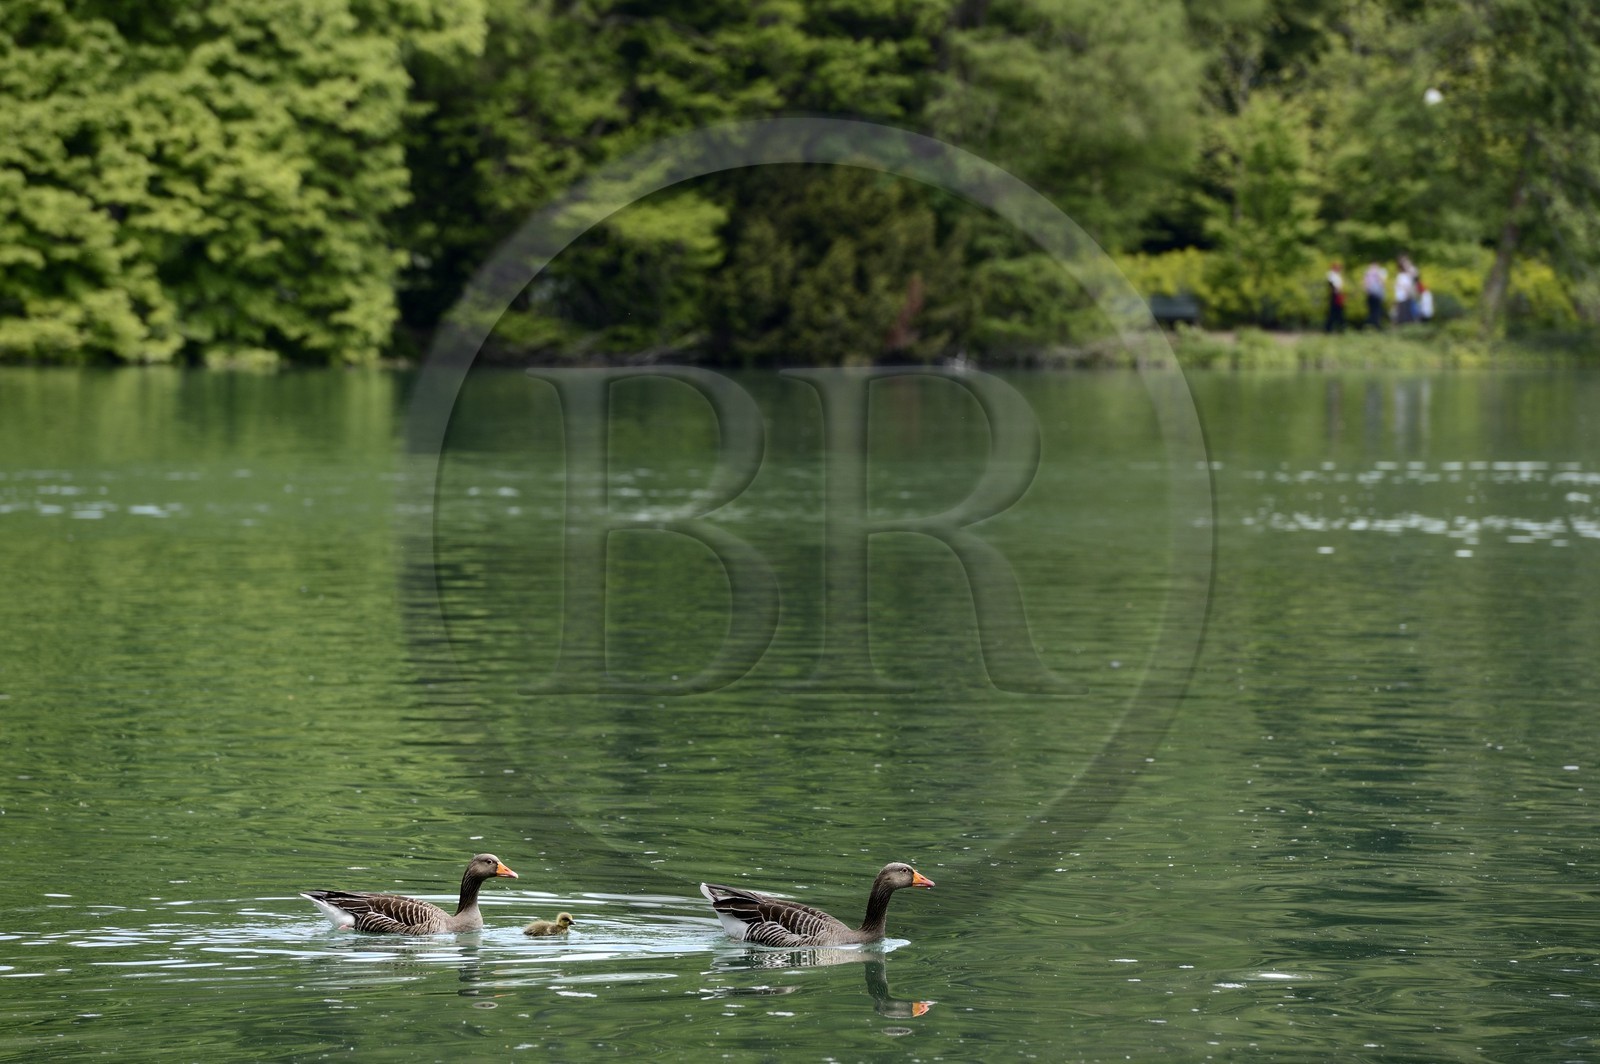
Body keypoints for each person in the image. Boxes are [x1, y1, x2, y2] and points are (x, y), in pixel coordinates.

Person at [1363, 261, 1387, 328]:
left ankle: (1374, 324)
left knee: (1376, 310)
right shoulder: (1369, 272)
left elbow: (1382, 283)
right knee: (1374, 310)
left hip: (1376, 294)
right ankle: (1373, 324)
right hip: (1373, 294)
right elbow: (1365, 284)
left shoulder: (1378, 272)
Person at [1324, 261, 1346, 333]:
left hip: (1337, 294)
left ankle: (1337, 327)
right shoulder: (1332, 275)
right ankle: (1333, 328)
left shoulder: (1336, 275)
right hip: (1335, 295)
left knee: (1336, 312)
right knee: (1335, 312)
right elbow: (1332, 285)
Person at [1393, 258, 1415, 324]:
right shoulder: (1402, 275)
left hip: (1404, 296)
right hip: (1403, 296)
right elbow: (1403, 286)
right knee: (1403, 313)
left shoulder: (1404, 275)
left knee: (1404, 312)